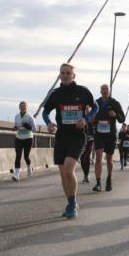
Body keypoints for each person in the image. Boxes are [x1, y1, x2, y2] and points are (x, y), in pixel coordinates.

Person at [38, 63, 97, 219]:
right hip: (62, 136)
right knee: (62, 174)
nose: (65, 75)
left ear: (73, 75)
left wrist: (86, 119)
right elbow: (45, 112)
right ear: (59, 75)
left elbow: (95, 107)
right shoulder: (55, 94)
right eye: (62, 73)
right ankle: (71, 202)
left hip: (78, 136)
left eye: (68, 73)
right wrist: (49, 123)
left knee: (69, 170)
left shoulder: (83, 92)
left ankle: (72, 204)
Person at [92, 85, 126, 191]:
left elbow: (122, 119)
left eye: (107, 89)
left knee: (109, 159)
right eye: (103, 89)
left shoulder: (115, 103)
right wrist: (91, 118)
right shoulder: (95, 102)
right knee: (98, 156)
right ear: (100, 91)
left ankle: (109, 180)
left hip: (110, 134)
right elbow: (89, 116)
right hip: (99, 133)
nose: (105, 91)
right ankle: (98, 183)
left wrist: (115, 115)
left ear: (109, 91)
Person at [12, 101, 36, 181]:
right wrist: (15, 128)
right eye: (21, 106)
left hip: (28, 138)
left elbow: (34, 129)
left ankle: (29, 167)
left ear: (27, 107)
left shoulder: (30, 117)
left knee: (26, 156)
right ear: (19, 107)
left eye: (24, 106)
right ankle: (16, 175)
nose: (23, 107)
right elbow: (17, 126)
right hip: (19, 137)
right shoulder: (17, 116)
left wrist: (28, 127)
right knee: (18, 155)